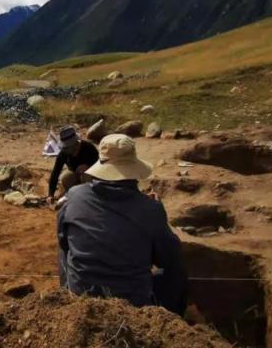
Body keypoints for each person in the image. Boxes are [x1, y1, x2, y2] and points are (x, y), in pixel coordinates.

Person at [57, 134, 187, 315]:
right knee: (177, 271)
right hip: (132, 305)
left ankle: (67, 297)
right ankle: (172, 322)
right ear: (133, 169)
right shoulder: (150, 209)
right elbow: (167, 258)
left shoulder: (75, 195)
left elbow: (63, 241)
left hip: (83, 299)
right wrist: (154, 213)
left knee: (65, 249)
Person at [46, 126, 99, 206]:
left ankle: (90, 200)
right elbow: (55, 172)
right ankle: (74, 197)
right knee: (65, 177)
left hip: (91, 177)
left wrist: (88, 166)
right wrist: (50, 194)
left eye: (68, 146)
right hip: (74, 174)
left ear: (75, 143)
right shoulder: (64, 153)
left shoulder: (89, 147)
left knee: (86, 174)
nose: (66, 149)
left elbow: (100, 165)